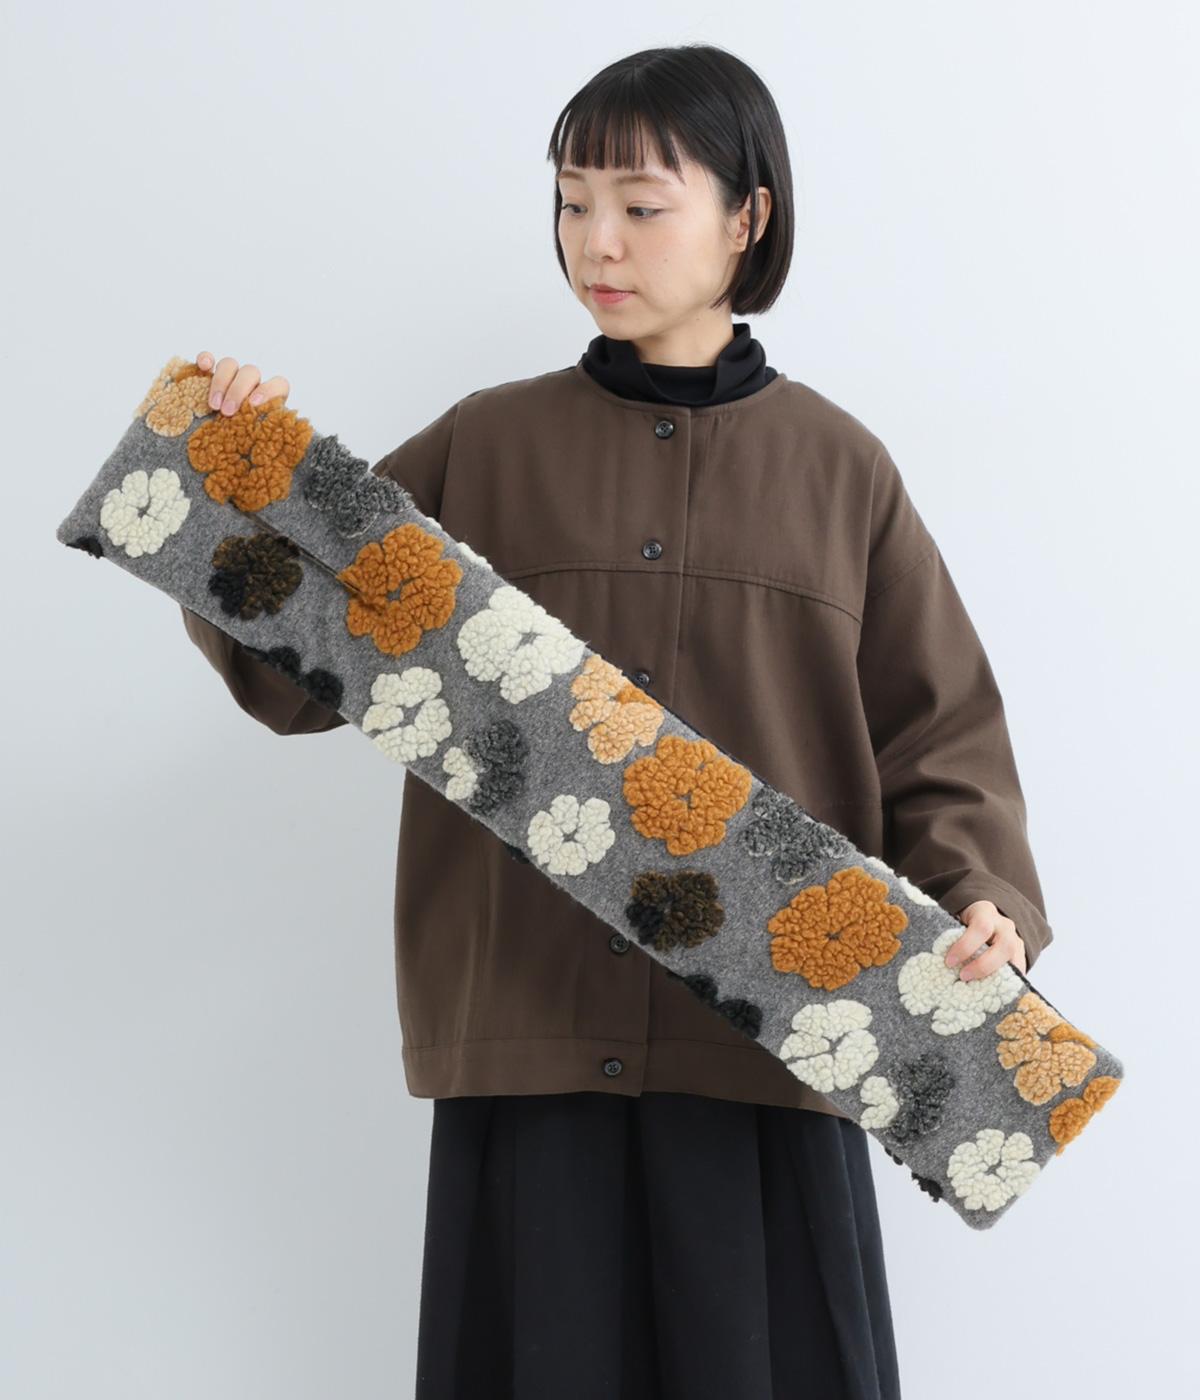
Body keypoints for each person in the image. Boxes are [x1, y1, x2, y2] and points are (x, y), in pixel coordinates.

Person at [181, 43, 1053, 1400]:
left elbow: (937, 735)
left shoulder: (842, 471)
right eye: (572, 202)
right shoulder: (485, 445)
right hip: (530, 1050)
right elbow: (291, 670)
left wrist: (984, 897)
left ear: (747, 216)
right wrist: (237, 478)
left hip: (776, 1043)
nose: (597, 242)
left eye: (641, 206)